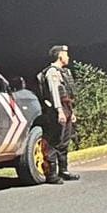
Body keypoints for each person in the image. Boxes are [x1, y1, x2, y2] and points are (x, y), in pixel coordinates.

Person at [38, 44, 80, 184]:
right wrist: (59, 111)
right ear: (60, 56)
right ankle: (51, 175)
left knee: (64, 141)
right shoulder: (52, 72)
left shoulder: (64, 72)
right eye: (66, 54)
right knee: (54, 142)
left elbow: (66, 94)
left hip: (66, 109)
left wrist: (71, 112)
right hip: (56, 111)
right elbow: (55, 93)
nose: (68, 57)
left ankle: (63, 171)